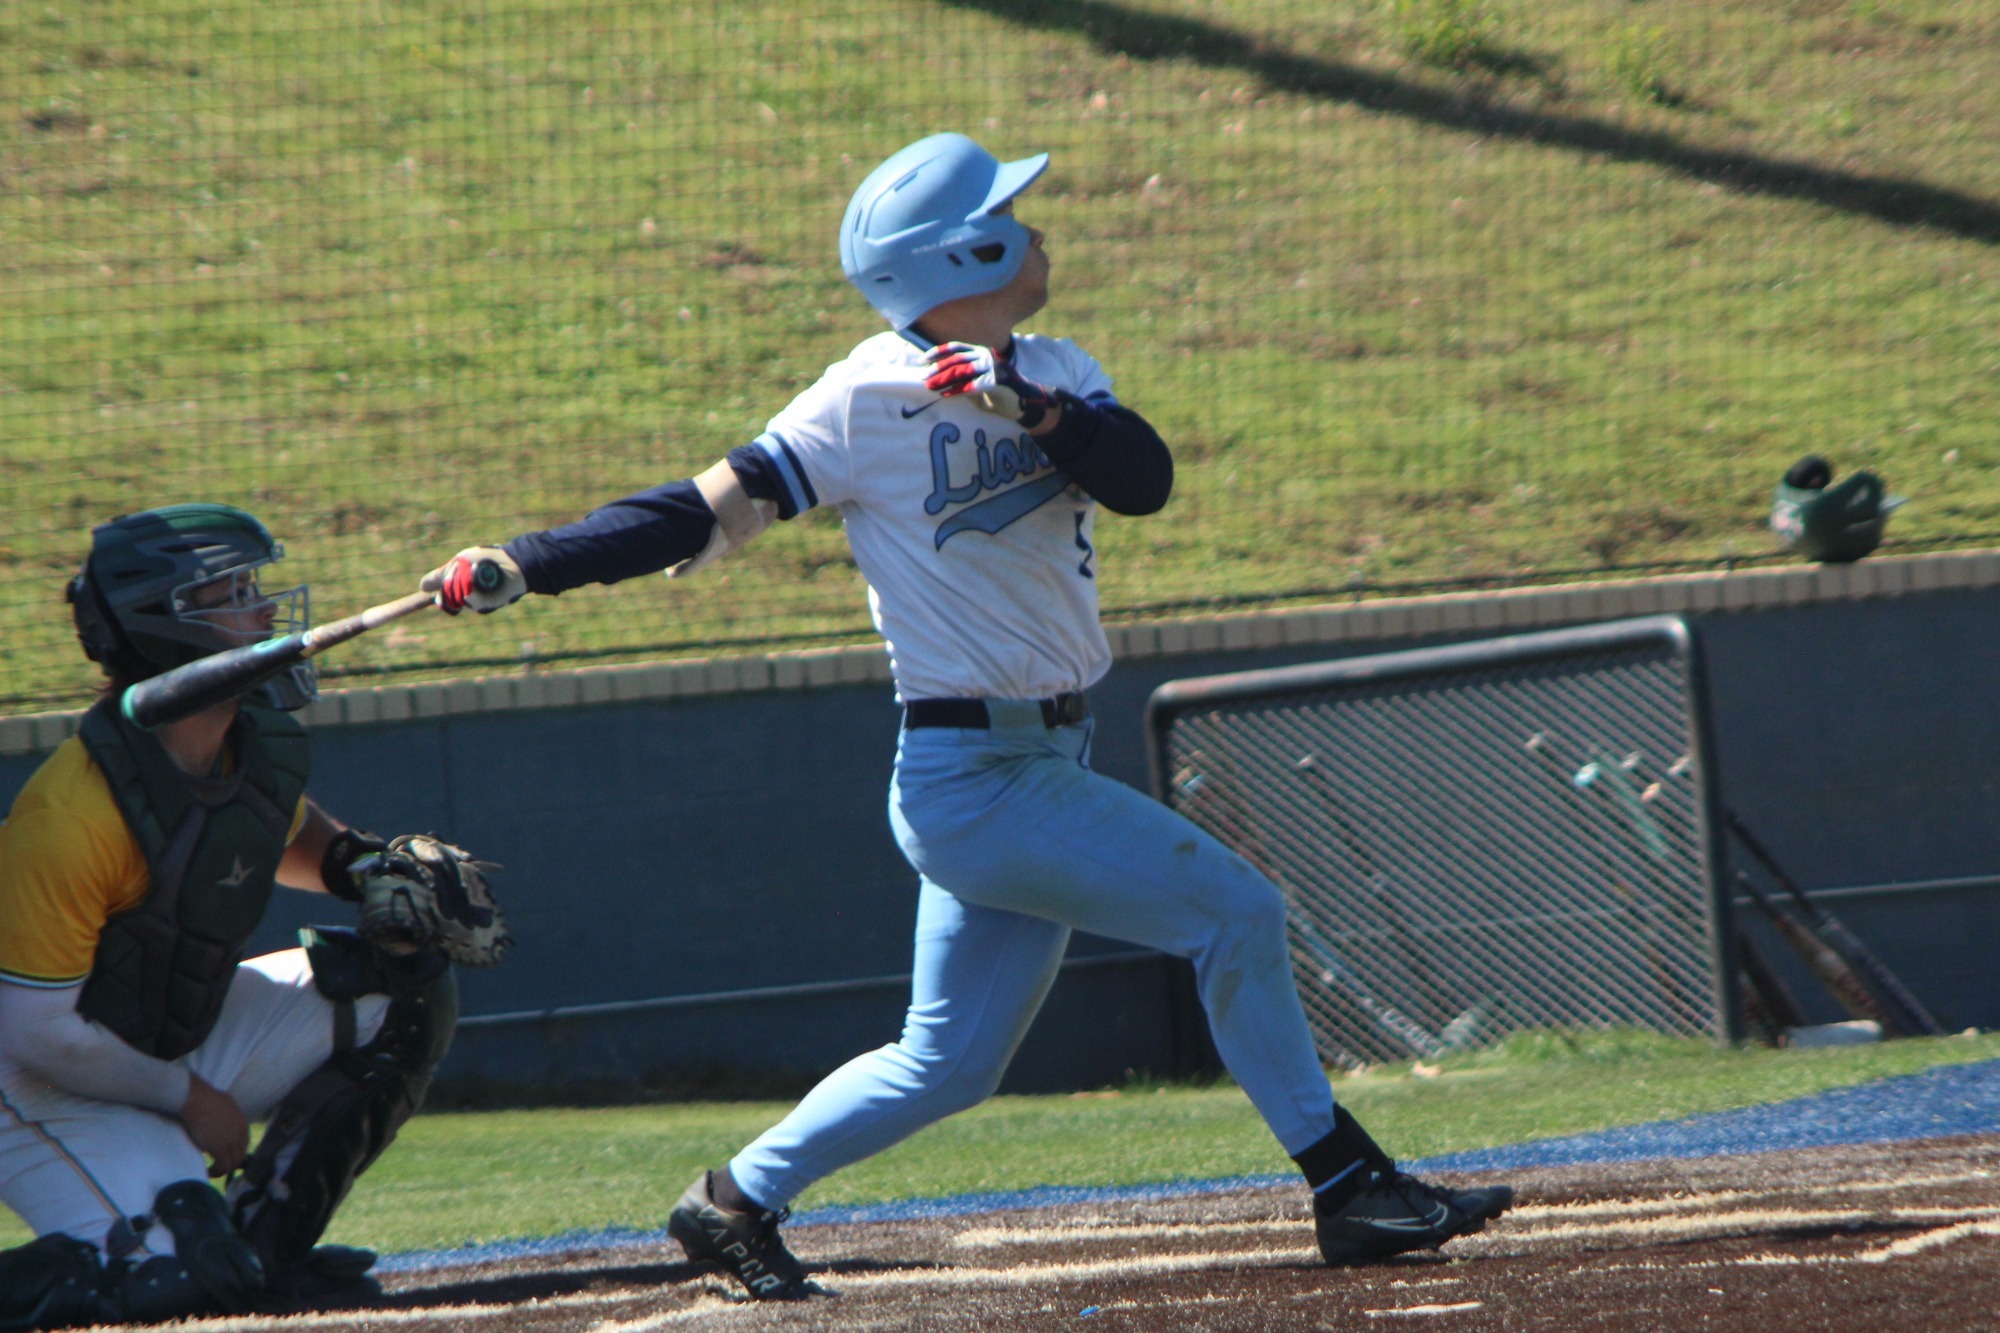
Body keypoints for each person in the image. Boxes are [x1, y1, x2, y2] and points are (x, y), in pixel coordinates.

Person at [421, 132, 1512, 1300]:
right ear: (962, 253)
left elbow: (1144, 478)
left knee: (945, 1063)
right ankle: (1350, 1188)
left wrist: (1032, 409)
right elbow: (690, 513)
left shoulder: (1054, 366)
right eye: (1011, 216)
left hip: (1041, 753)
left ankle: (727, 1201)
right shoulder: (861, 396)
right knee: (1237, 911)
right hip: (972, 779)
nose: (1036, 228)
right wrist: (524, 563)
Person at [0, 504, 508, 1326]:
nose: (265, 609)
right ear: (166, 627)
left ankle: (265, 1254)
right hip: (38, 1077)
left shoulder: (243, 742)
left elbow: (266, 821)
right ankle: (181, 1254)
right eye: (233, 592)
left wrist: (360, 866)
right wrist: (193, 1097)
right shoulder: (71, 811)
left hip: (160, 1032)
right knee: (177, 1283)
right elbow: (37, 1032)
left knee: (397, 988)